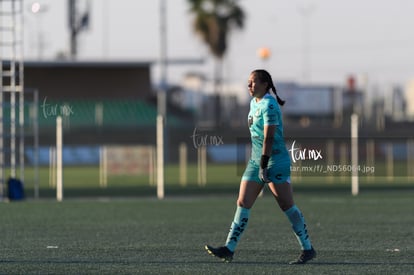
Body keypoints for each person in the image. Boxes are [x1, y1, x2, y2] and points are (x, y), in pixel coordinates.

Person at [205, 69, 316, 264]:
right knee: (242, 202)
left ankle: (307, 248)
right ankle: (229, 248)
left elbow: (269, 137)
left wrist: (264, 165)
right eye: (248, 81)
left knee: (286, 205)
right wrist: (259, 163)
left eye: (254, 82)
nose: (249, 85)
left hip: (275, 161)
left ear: (265, 85)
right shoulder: (253, 103)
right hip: (256, 161)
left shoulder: (269, 105)